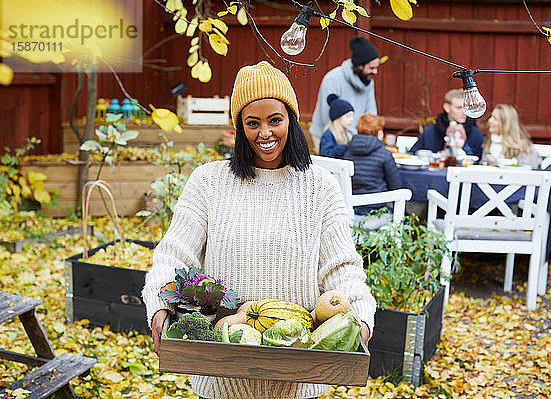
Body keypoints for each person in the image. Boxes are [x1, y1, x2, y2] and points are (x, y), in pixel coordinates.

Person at [142, 61, 376, 399]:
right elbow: (174, 255)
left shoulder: (320, 186)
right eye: (253, 123)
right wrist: (158, 306)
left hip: (300, 375)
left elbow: (342, 269)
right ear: (239, 128)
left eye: (275, 120)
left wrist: (360, 317)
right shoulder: (209, 181)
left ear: (291, 121)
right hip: (221, 374)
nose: (264, 133)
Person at [310, 36, 379, 148]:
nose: (375, 72)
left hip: (354, 138)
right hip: (328, 137)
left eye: (376, 67)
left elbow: (371, 112)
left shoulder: (368, 80)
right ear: (359, 65)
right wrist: (350, 139)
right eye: (371, 68)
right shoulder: (333, 79)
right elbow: (328, 117)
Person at [344, 113, 402, 218]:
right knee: (405, 219)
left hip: (353, 211)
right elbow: (396, 187)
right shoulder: (385, 154)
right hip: (377, 212)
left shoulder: (348, 152)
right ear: (379, 133)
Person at [410, 89, 484, 159]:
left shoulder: (476, 134)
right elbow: (413, 155)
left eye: (465, 108)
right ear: (447, 107)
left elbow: (481, 164)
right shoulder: (431, 132)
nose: (464, 112)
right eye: (459, 108)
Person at [483, 104, 541, 168]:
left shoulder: (524, 148)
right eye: (491, 117)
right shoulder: (489, 142)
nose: (489, 120)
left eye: (495, 119)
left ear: (506, 124)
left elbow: (530, 172)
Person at [319, 94, 354, 158]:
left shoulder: (348, 134)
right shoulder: (328, 135)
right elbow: (325, 155)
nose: (352, 119)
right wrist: (344, 148)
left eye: (352, 116)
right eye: (348, 116)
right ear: (337, 118)